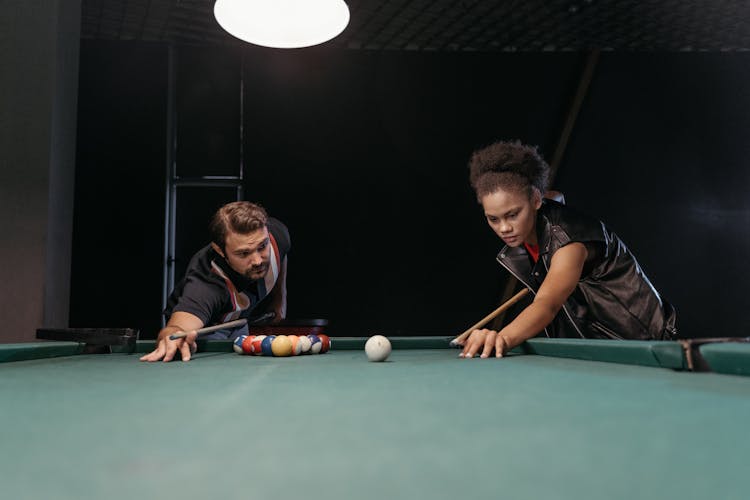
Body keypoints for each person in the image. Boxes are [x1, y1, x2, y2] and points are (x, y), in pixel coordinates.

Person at [459, 140, 677, 359]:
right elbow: (554, 197)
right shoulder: (534, 217)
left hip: (644, 344)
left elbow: (548, 303)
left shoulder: (568, 242)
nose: (504, 228)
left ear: (535, 200)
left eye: (513, 214)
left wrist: (502, 339)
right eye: (493, 219)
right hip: (600, 347)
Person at [141, 201, 290, 362]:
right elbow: (178, 329)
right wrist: (171, 335)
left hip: (237, 321)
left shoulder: (277, 236)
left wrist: (279, 298)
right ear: (220, 250)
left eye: (262, 246)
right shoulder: (207, 283)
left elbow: (281, 255)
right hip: (208, 328)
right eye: (243, 253)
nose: (257, 261)